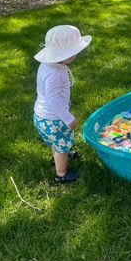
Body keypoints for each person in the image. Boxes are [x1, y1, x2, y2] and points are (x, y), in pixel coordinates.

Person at [33, 25, 91, 183]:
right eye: (75, 52)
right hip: (53, 119)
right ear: (66, 55)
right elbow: (52, 99)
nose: (77, 54)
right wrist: (67, 118)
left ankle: (59, 155)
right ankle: (61, 174)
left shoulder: (48, 65)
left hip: (42, 116)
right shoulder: (55, 73)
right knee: (61, 144)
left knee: (56, 141)